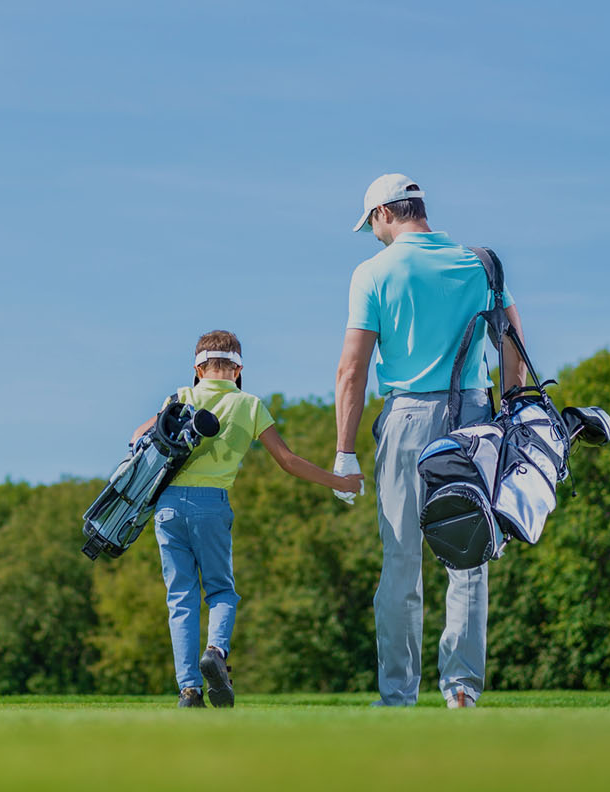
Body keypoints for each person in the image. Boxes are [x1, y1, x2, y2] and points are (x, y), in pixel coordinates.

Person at [329, 174, 526, 709]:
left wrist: (345, 452)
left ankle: (397, 695)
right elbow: (513, 348)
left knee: (400, 561)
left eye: (371, 224)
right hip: (475, 419)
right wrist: (508, 418)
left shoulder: (372, 272)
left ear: (384, 214)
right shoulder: (478, 263)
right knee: (468, 555)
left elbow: (352, 369)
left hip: (410, 417)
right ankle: (461, 689)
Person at [131, 330, 363, 709]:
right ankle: (216, 652)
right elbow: (288, 461)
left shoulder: (180, 397)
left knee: (181, 598)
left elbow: (139, 435)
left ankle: (189, 690)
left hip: (168, 505)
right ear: (238, 369)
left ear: (198, 368)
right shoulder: (251, 405)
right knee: (221, 591)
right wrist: (341, 482)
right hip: (212, 505)